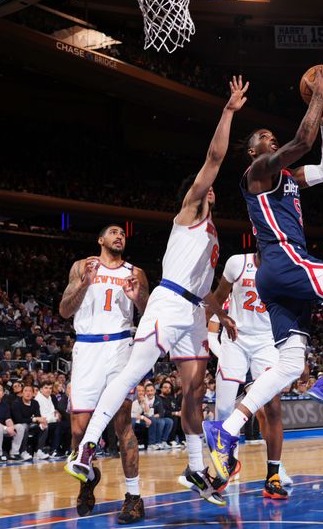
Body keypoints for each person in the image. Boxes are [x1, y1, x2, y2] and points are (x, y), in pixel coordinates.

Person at [66, 76, 247, 511]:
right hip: (169, 301)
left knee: (194, 391)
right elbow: (215, 156)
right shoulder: (189, 212)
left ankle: (195, 467)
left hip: (194, 311)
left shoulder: (214, 234)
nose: (211, 189)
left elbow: (206, 290)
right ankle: (88, 446)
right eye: (206, 186)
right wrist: (228, 111)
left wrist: (218, 313)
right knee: (134, 373)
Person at [203, 69, 323, 481]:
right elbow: (301, 142)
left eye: (271, 137)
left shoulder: (290, 179)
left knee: (287, 366)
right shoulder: (258, 174)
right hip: (287, 261)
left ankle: (226, 432)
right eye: (263, 138)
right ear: (253, 153)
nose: (270, 140)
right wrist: (317, 97)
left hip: (276, 276)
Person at [58, 222, 149, 524]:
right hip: (86, 349)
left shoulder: (135, 272)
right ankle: (88, 479)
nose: (119, 236)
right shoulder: (81, 267)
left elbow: (148, 313)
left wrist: (138, 298)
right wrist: (84, 283)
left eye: (122, 233)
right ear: (100, 239)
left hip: (120, 347)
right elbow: (64, 310)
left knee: (122, 425)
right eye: (113, 232)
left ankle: (134, 497)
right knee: (78, 430)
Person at [206, 251, 293, 499]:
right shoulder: (237, 263)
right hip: (235, 341)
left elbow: (290, 312)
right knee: (223, 410)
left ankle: (274, 475)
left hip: (266, 343)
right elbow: (217, 298)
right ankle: (226, 467)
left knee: (273, 408)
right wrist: (219, 320)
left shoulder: (284, 268)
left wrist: (297, 350)